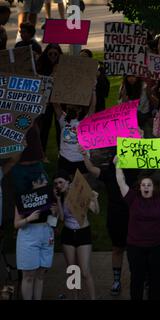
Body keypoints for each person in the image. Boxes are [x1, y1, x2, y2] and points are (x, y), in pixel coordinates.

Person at [81, 148, 139, 296]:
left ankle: (140, 278)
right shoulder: (108, 173)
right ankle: (117, 280)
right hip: (115, 216)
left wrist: (140, 138)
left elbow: (147, 159)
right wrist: (84, 155)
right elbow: (91, 169)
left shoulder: (133, 171)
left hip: (133, 216)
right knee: (117, 248)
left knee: (136, 250)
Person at [115, 157, 160, 300]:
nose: (146, 187)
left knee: (155, 279)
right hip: (136, 247)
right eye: (143, 185)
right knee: (137, 279)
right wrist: (118, 164)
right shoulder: (132, 198)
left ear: (153, 187)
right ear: (139, 187)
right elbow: (120, 181)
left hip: (157, 246)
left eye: (149, 185)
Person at [53, 170, 99, 300]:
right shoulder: (59, 197)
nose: (58, 185)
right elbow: (61, 218)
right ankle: (75, 297)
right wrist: (57, 200)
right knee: (73, 271)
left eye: (61, 182)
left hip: (83, 233)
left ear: (68, 182)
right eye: (56, 183)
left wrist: (95, 199)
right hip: (68, 234)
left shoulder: (78, 193)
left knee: (84, 271)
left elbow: (95, 211)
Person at [14, 172, 56, 300]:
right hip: (28, 235)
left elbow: (54, 220)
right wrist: (29, 218)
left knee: (41, 274)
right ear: (33, 182)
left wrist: (55, 213)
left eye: (46, 179)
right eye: (42, 180)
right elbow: (16, 224)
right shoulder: (23, 199)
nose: (45, 182)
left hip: (46, 232)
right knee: (28, 275)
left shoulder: (49, 196)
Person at [53, 91, 96, 176]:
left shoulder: (85, 122)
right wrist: (54, 86)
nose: (70, 110)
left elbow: (93, 107)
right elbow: (55, 104)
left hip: (81, 160)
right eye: (68, 108)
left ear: (80, 110)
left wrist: (93, 91)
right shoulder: (64, 120)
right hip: (64, 159)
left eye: (73, 108)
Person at [36, 43, 63, 155]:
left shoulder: (63, 66)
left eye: (55, 54)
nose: (52, 56)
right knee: (44, 128)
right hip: (45, 103)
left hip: (59, 102)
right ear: (46, 54)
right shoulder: (41, 66)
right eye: (50, 54)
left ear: (59, 55)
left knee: (61, 128)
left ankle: (61, 152)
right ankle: (41, 153)